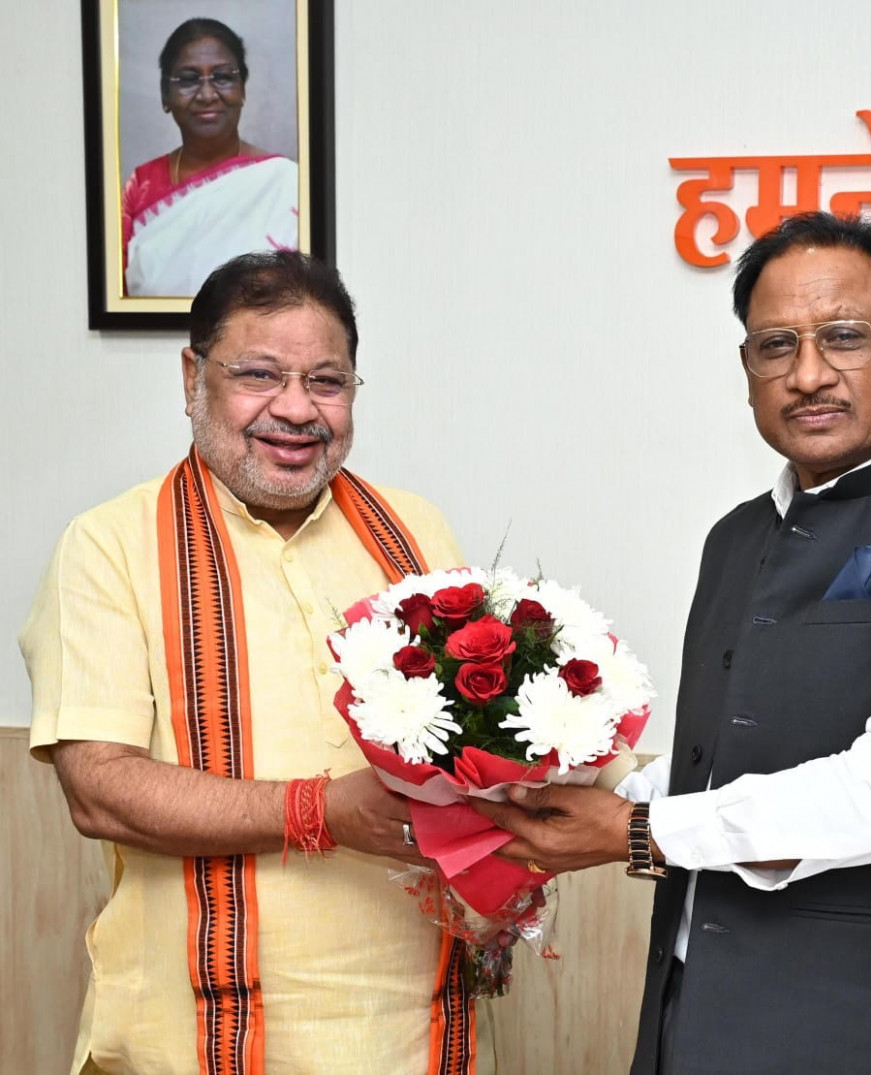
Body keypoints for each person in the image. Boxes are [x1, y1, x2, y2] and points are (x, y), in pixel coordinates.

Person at [473, 212, 871, 1074]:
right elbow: (722, 764)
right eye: (775, 346)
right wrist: (551, 788)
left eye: (844, 336)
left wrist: (638, 829)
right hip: (690, 1017)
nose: (809, 374)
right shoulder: (734, 537)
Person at [22, 251, 492, 1074]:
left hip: (412, 1031)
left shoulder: (415, 531)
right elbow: (98, 787)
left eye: (327, 381)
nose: (296, 409)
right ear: (192, 377)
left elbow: (477, 744)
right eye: (260, 375)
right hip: (188, 1040)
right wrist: (320, 810)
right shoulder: (108, 545)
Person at [121, 18, 299, 297]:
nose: (206, 95)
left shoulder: (287, 184)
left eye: (223, 77)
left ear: (242, 90)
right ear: (165, 96)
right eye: (188, 79)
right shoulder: (140, 187)